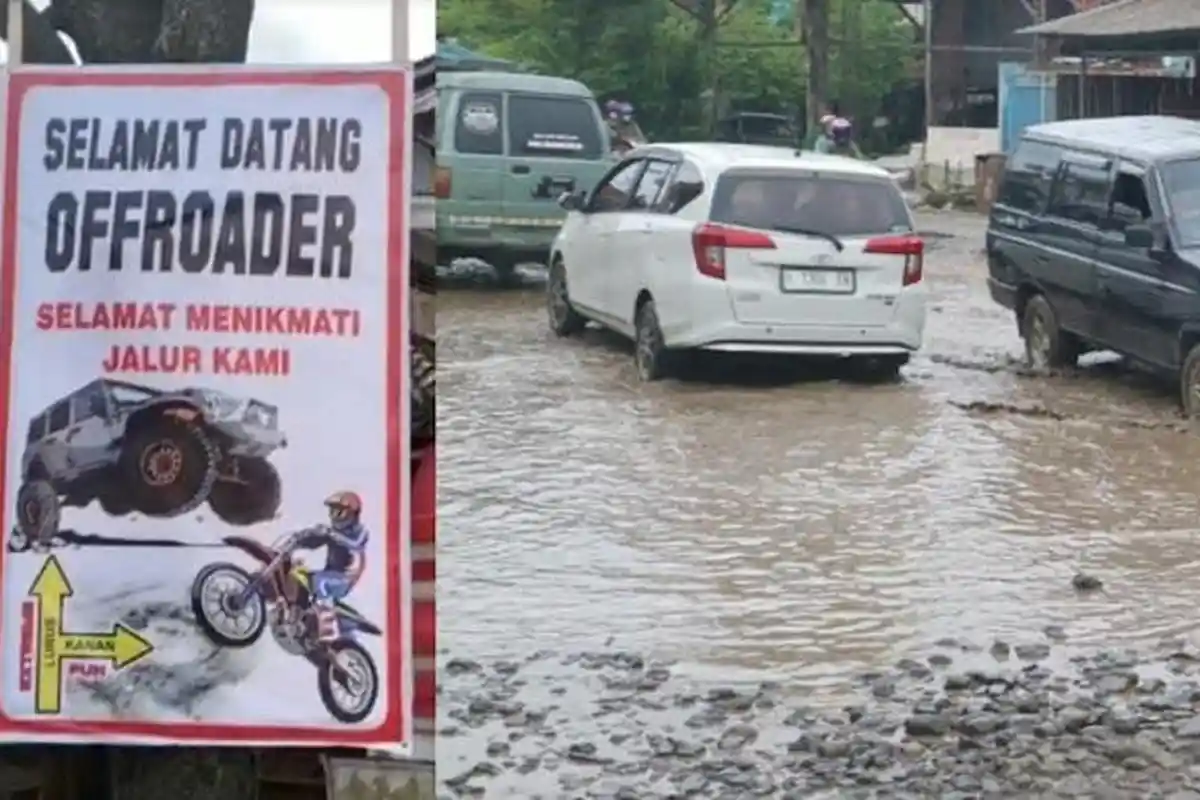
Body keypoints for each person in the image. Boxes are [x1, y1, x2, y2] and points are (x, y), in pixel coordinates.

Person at [290, 490, 370, 642]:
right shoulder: (332, 532)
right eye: (332, 512)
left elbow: (355, 544)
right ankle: (300, 616)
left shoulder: (360, 531)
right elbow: (314, 543)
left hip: (346, 577)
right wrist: (300, 539)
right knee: (299, 575)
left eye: (338, 512)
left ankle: (327, 628)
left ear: (352, 514)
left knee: (321, 582)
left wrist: (330, 534)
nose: (334, 516)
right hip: (330, 573)